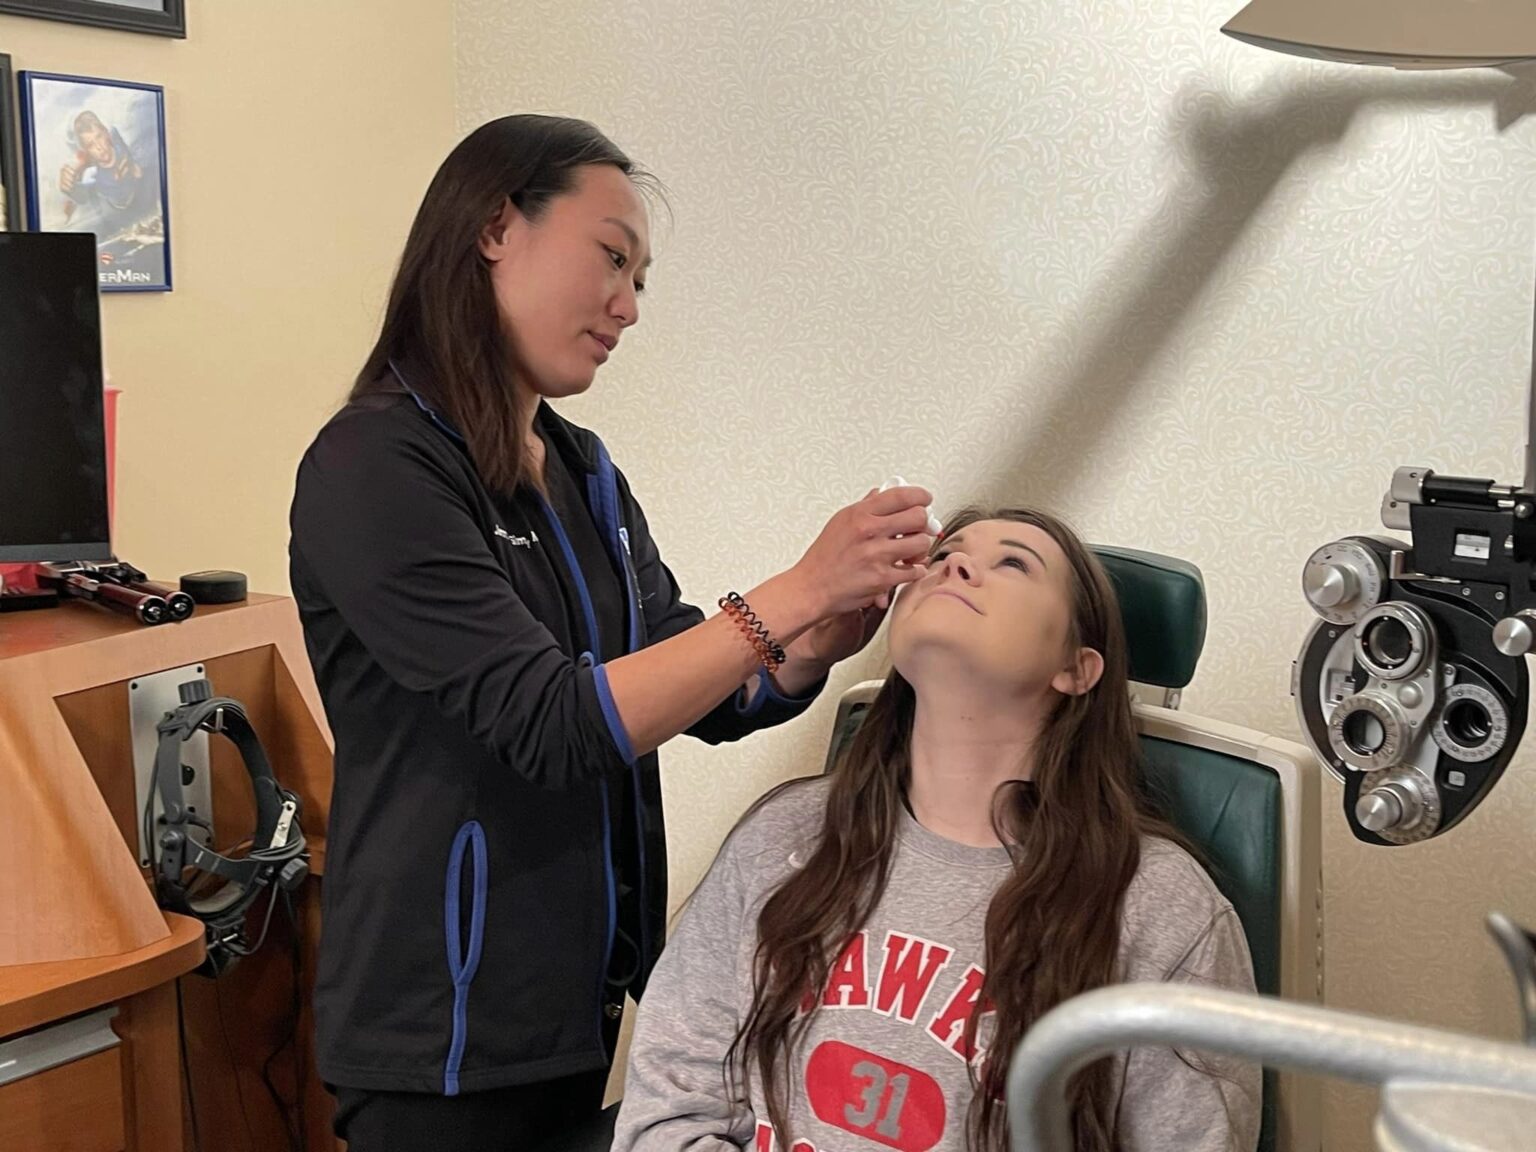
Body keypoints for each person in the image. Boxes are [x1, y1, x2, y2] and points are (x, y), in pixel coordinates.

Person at [287, 114, 936, 1151]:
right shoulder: (374, 467)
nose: (628, 306)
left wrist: (814, 640)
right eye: (611, 258)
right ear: (496, 228)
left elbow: (686, 676)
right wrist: (797, 590)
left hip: (577, 1005)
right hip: (439, 1031)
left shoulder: (583, 471)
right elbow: (555, 723)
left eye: (640, 279)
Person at [612, 507, 1261, 1152]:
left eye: (1013, 563)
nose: (957, 565)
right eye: (945, 554)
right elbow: (670, 1112)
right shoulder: (784, 836)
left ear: (1076, 667)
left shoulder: (1162, 910)